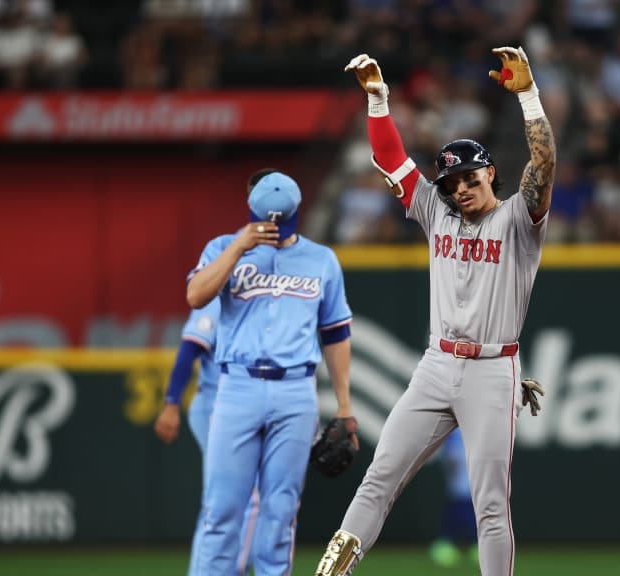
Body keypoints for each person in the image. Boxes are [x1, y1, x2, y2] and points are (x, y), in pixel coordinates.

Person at [315, 47, 556, 576]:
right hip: (436, 365)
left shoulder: (519, 220)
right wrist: (378, 100)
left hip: (492, 369)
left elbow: (543, 166)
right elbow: (390, 159)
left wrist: (529, 97)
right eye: (452, 183)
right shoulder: (435, 211)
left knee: (489, 505)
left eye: (470, 178)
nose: (461, 189)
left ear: (490, 173)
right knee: (379, 477)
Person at [187, 169, 356, 576]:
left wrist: (344, 406)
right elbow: (196, 295)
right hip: (237, 386)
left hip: (295, 391)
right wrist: (238, 248)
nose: (274, 227)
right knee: (222, 509)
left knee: (281, 511)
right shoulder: (222, 247)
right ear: (252, 211)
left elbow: (336, 333)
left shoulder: (321, 259)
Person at [152, 298, 258, 576]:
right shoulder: (218, 295)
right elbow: (190, 347)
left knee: (223, 500)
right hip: (214, 403)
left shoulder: (264, 293)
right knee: (241, 497)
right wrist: (172, 402)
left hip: (241, 408)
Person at [428, 429, 478, 568]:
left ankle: (476, 544)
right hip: (459, 483)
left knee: (470, 508)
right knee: (460, 501)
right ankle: (446, 543)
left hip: (474, 479)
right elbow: (451, 457)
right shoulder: (453, 432)